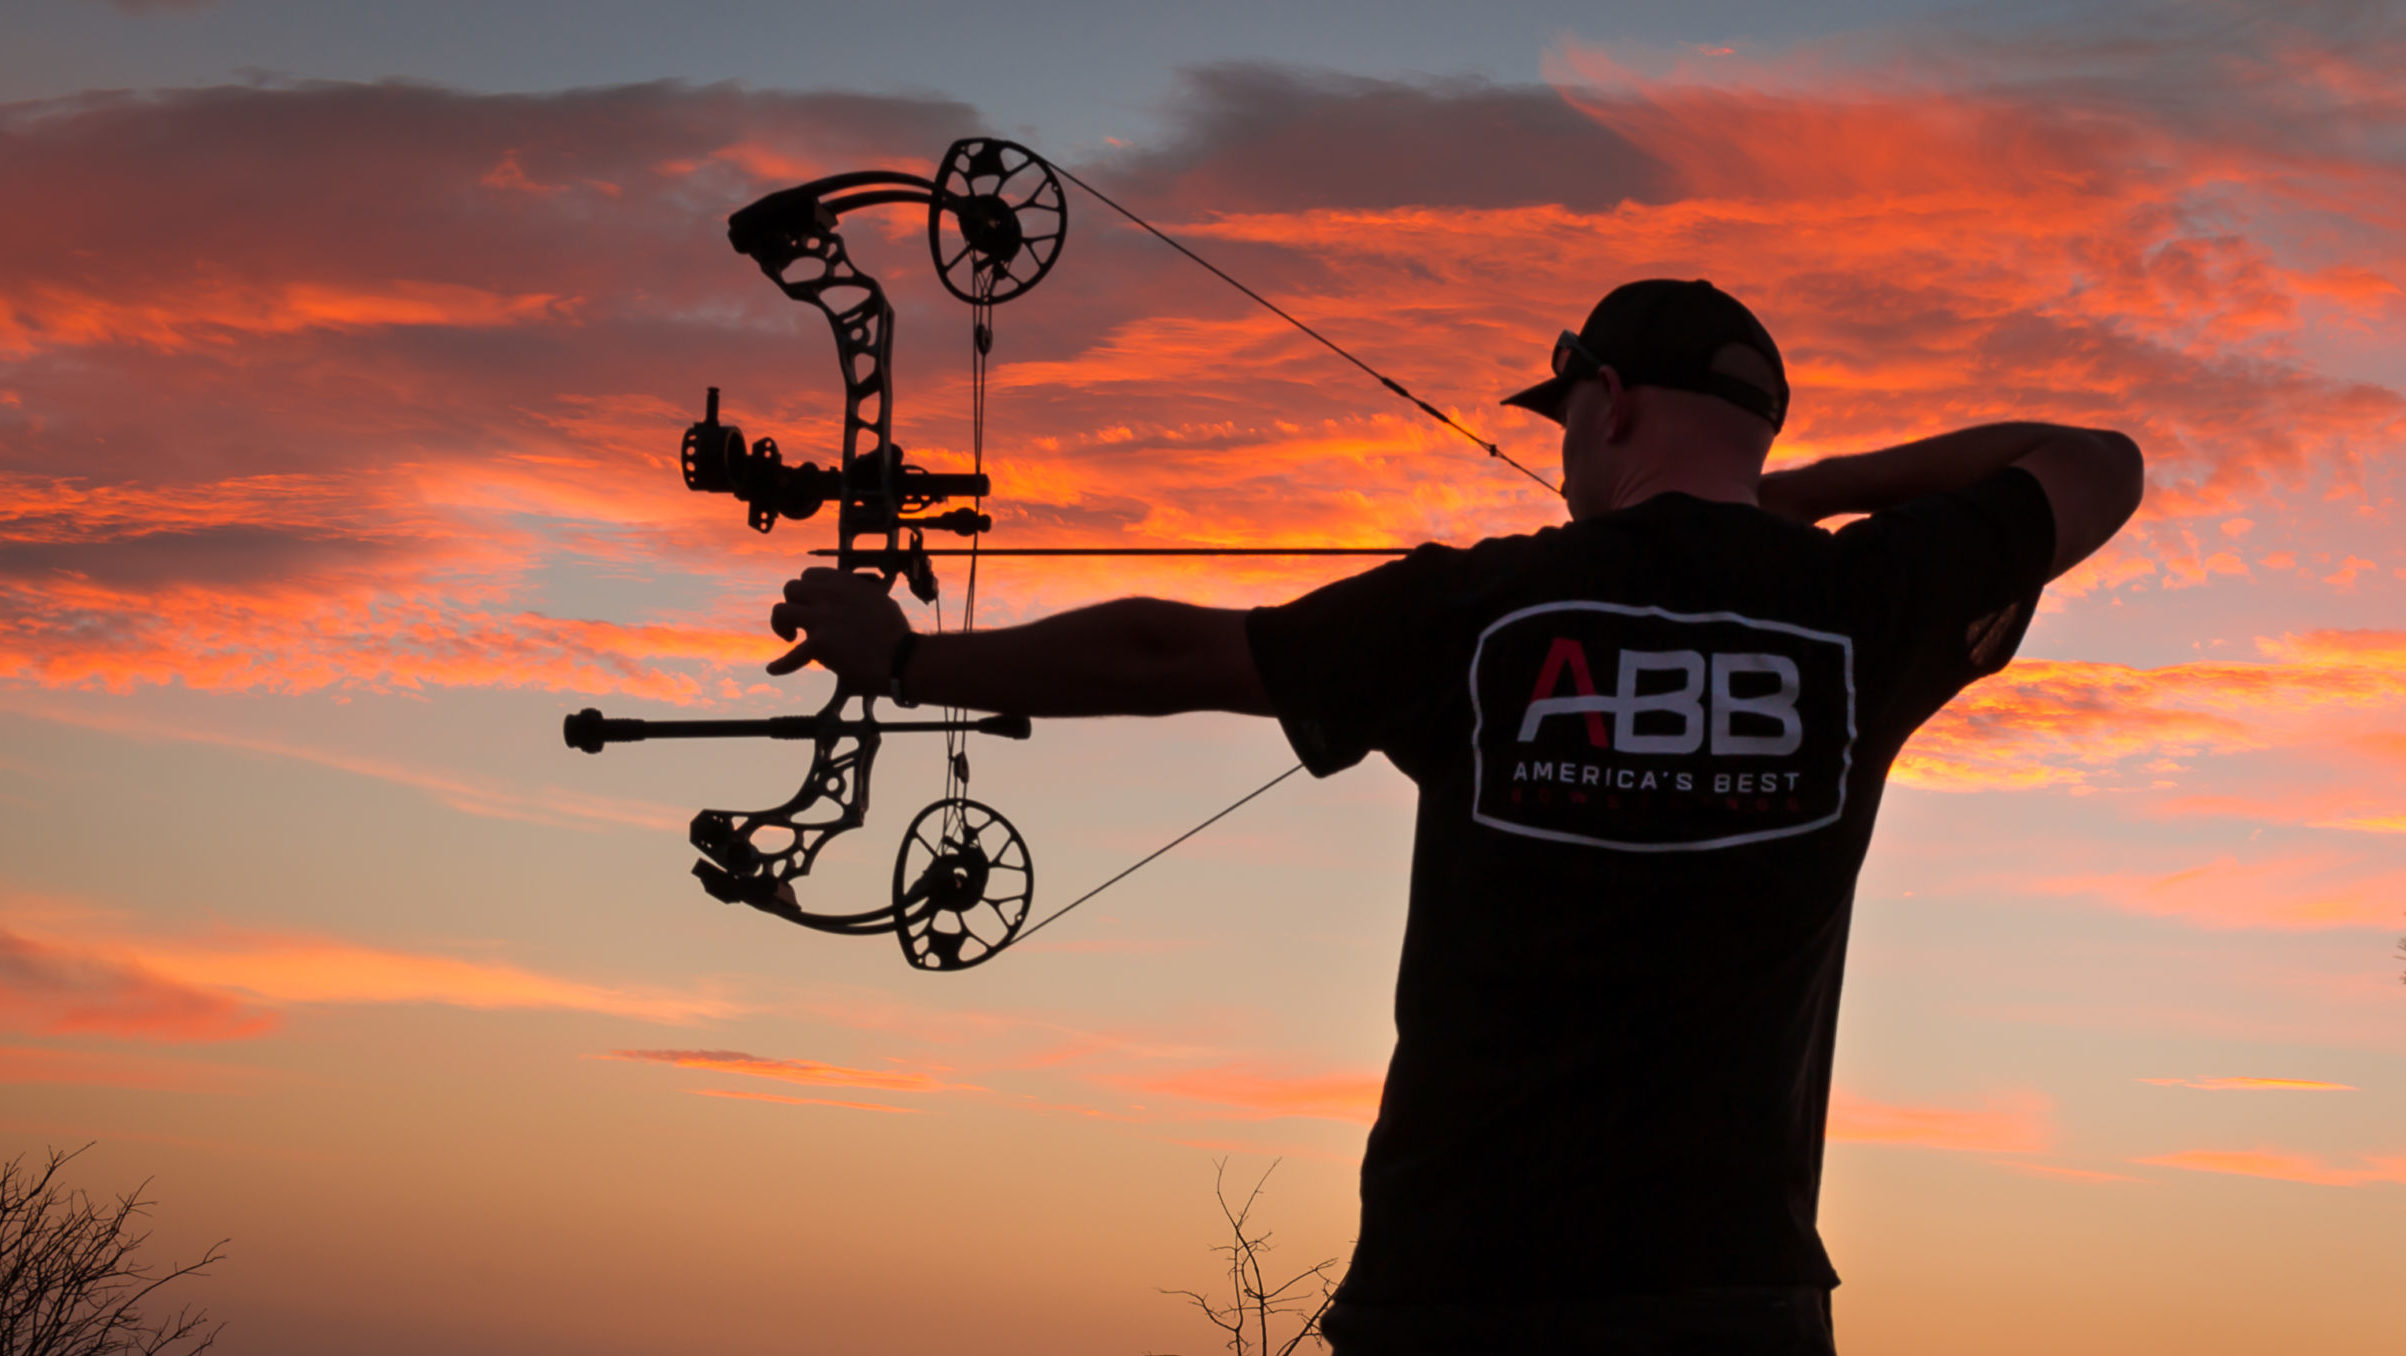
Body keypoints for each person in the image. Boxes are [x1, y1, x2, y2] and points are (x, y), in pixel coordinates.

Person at [768, 279, 2144, 1355]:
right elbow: (2090, 458)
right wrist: (1794, 500)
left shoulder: (1479, 609)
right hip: (1730, 1292)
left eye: (1563, 424)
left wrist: (902, 660)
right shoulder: (1864, 606)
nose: (1559, 466)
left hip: (1459, 1286)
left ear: (1606, 399)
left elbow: (1161, 657)